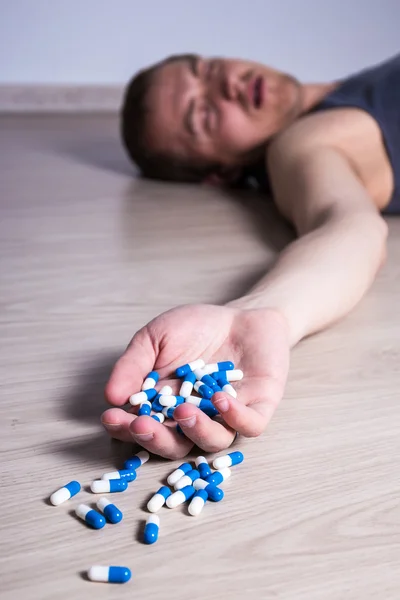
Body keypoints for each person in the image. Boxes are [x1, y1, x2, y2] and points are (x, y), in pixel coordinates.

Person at [101, 52, 399, 459]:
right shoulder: (303, 145)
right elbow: (350, 228)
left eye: (205, 70)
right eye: (204, 115)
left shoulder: (350, 85)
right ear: (221, 173)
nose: (225, 86)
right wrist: (264, 312)